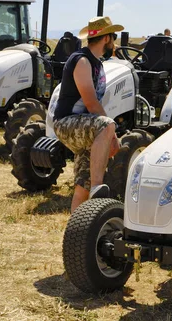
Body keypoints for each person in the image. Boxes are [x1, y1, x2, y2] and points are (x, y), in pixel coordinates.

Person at [51, 16, 122, 212]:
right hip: (66, 123)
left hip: (84, 126)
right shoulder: (82, 61)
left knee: (83, 184)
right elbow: (91, 103)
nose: (114, 41)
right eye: (113, 37)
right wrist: (112, 135)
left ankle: (77, 229)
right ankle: (98, 189)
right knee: (107, 125)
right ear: (106, 38)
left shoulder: (96, 63)